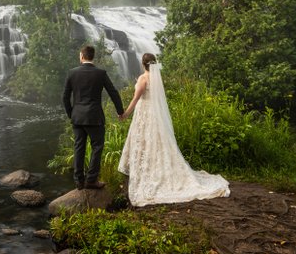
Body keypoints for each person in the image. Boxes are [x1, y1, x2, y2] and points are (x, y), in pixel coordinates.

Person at [118, 53, 230, 205]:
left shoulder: (143, 78)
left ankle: (147, 172)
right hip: (155, 115)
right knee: (156, 142)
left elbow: (136, 98)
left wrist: (125, 114)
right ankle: (154, 170)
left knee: (146, 141)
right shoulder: (157, 79)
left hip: (144, 114)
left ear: (143, 64)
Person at [62, 44, 124, 190]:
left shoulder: (72, 73)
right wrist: (120, 111)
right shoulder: (100, 73)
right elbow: (113, 92)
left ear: (82, 56)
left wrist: (72, 114)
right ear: (92, 57)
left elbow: (65, 97)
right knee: (97, 147)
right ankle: (91, 180)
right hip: (95, 117)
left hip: (77, 117)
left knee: (79, 148)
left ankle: (79, 181)